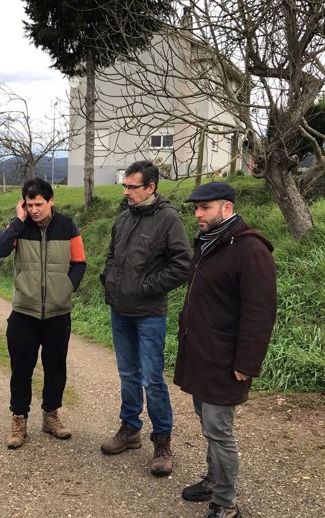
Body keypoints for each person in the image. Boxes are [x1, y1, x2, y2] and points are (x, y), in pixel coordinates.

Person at [175, 182, 276, 518]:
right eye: (195, 209)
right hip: (201, 352)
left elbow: (260, 312)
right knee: (207, 422)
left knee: (219, 428)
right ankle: (213, 481)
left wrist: (247, 362)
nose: (197, 215)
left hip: (225, 359)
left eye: (204, 208)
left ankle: (226, 503)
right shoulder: (210, 243)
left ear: (227, 208)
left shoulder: (249, 249)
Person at [100, 160, 192, 476]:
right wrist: (109, 280)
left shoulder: (168, 219)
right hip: (120, 311)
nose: (126, 192)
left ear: (150, 187)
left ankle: (162, 443)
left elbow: (182, 264)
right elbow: (112, 256)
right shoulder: (123, 219)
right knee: (127, 373)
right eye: (125, 186)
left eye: (132, 186)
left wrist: (146, 287)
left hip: (149, 314)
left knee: (152, 379)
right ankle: (129, 431)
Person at [0, 177, 87, 449]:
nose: (34, 210)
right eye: (29, 204)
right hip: (24, 312)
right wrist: (18, 221)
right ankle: (19, 419)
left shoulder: (68, 226)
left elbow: (79, 263)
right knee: (21, 368)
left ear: (51, 201)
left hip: (58, 312)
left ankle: (51, 416)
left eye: (39, 204)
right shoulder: (20, 228)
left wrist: (66, 288)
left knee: (56, 367)